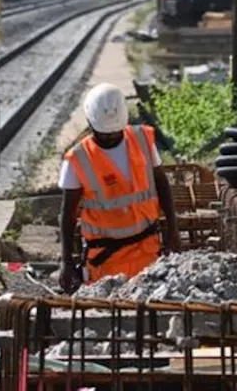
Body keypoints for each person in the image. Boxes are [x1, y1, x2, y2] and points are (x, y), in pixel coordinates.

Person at [58, 83, 179, 294]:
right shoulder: (78, 159)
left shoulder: (141, 139)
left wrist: (173, 230)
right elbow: (67, 216)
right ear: (90, 123)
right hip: (106, 263)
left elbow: (162, 184)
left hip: (148, 253)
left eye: (115, 133)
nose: (110, 138)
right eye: (104, 134)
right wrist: (66, 261)